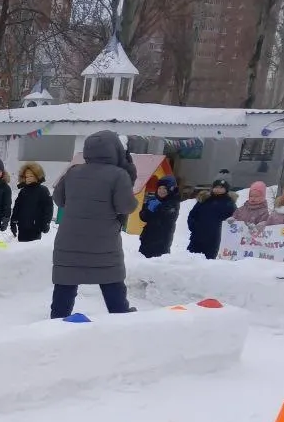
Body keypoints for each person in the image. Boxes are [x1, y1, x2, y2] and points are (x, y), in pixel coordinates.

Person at [50, 131, 138, 318]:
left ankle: (57, 319)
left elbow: (58, 199)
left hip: (69, 241)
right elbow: (126, 206)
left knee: (66, 282)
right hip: (103, 243)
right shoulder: (119, 175)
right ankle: (121, 316)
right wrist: (129, 181)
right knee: (111, 279)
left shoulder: (73, 172)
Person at [187, 178, 237, 260]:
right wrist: (194, 227)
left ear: (226, 190)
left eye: (221, 188)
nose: (218, 189)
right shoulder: (204, 200)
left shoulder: (230, 204)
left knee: (210, 262)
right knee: (191, 260)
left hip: (216, 240)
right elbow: (192, 215)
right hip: (198, 237)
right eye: (216, 187)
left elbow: (234, 219)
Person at [137, 175, 181, 259]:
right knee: (142, 262)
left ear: (170, 189)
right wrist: (147, 210)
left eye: (164, 188)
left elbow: (164, 217)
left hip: (161, 240)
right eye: (159, 188)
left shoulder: (173, 202)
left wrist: (155, 209)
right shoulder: (153, 200)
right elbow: (143, 217)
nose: (161, 191)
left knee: (156, 263)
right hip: (147, 239)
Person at [10, 162, 54, 243]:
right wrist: (13, 221)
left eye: (31, 176)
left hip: (36, 228)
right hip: (22, 227)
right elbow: (17, 207)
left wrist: (46, 223)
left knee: (31, 249)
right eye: (27, 177)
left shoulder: (43, 190)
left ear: (37, 176)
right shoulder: (23, 191)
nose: (29, 179)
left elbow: (48, 209)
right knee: (21, 248)